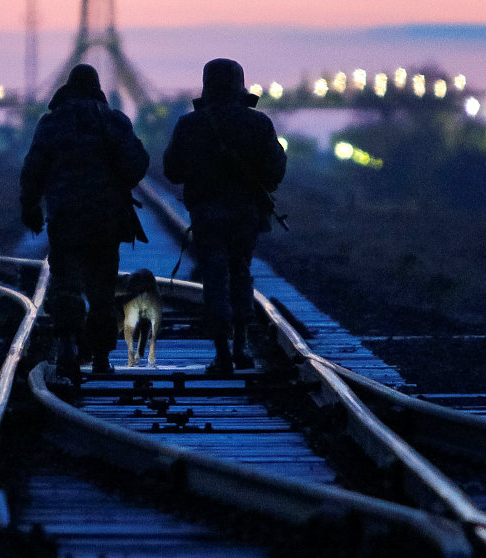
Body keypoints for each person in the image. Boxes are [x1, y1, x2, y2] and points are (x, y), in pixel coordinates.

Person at [20, 64, 149, 377]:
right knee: (103, 287)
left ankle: (67, 345)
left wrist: (31, 207)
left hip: (65, 218)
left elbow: (33, 169)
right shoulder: (114, 121)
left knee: (67, 283)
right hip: (106, 219)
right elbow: (137, 164)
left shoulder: (51, 123)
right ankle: (102, 357)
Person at [163, 58, 286, 375]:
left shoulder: (190, 125)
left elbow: (172, 171)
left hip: (206, 213)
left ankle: (221, 352)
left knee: (214, 276)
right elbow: (275, 169)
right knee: (241, 273)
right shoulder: (258, 124)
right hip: (245, 214)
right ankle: (241, 345)